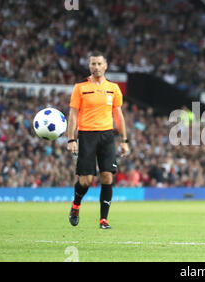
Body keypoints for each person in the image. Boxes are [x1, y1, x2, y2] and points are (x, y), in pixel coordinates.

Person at [67, 51, 129, 229]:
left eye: (99, 63)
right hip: (87, 135)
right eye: (93, 64)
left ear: (106, 65)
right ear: (89, 66)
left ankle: (103, 219)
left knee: (107, 176)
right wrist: (71, 139)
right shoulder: (80, 88)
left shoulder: (114, 88)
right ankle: (76, 205)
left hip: (107, 136)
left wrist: (124, 140)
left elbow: (119, 115)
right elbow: (73, 114)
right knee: (86, 180)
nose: (96, 67)